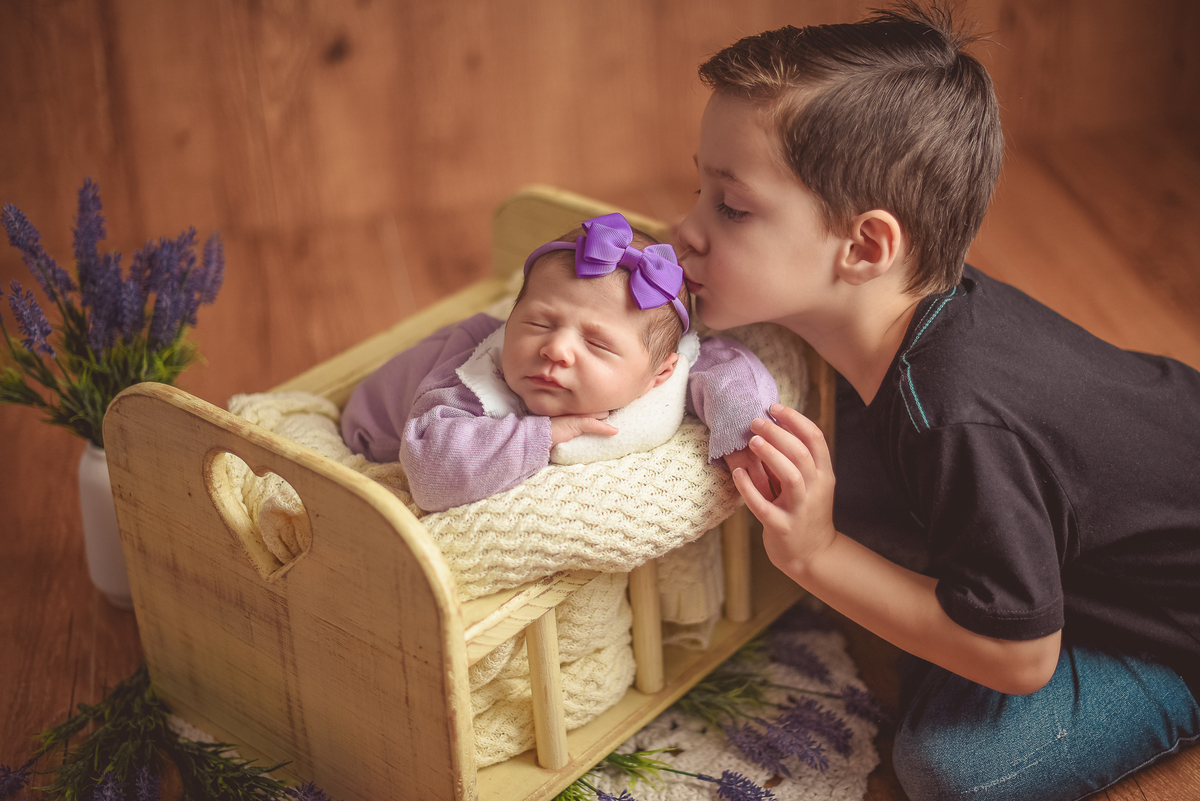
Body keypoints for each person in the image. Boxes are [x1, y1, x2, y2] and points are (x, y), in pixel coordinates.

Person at [672, 3, 1200, 799]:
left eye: (732, 206)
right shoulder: (916, 313)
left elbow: (1022, 661)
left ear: (865, 247)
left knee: (947, 765)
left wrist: (817, 556)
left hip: (1177, 623)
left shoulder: (953, 416)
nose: (687, 229)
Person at [341, 212, 778, 512]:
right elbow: (428, 470)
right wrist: (542, 435)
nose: (557, 349)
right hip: (370, 434)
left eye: (597, 343)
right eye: (538, 322)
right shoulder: (477, 375)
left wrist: (746, 434)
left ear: (659, 373)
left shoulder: (672, 363)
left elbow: (728, 365)